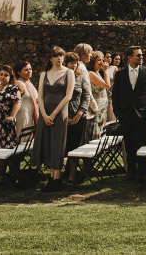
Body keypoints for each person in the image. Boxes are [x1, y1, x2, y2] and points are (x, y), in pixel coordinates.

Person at [111, 46, 146, 180]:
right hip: (126, 114)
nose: (142, 57)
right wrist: (118, 112)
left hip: (142, 113)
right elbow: (115, 95)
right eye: (139, 55)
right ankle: (131, 171)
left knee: (142, 142)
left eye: (141, 55)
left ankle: (142, 171)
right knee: (129, 143)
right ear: (130, 57)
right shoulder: (120, 74)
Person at [35, 46, 75, 192]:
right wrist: (44, 115)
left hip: (60, 112)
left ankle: (57, 178)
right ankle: (51, 176)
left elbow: (68, 96)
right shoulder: (43, 74)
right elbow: (39, 96)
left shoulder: (69, 72)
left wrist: (53, 114)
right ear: (50, 58)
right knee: (47, 142)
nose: (59, 58)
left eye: (61, 56)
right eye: (56, 56)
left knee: (58, 142)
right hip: (45, 112)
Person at [64, 52, 89, 186]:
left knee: (74, 147)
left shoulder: (80, 78)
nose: (74, 65)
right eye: (71, 62)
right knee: (64, 146)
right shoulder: (60, 77)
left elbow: (86, 96)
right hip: (63, 117)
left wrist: (79, 114)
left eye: (76, 63)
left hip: (78, 117)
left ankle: (72, 176)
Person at [73, 44, 99, 139]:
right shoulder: (82, 68)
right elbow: (87, 91)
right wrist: (95, 107)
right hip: (81, 106)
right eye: (90, 53)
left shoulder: (76, 66)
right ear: (83, 55)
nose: (91, 55)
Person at [87, 51, 110, 140]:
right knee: (96, 129)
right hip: (97, 107)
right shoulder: (91, 74)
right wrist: (106, 71)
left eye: (102, 60)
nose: (102, 63)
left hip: (103, 108)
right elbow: (107, 85)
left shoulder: (97, 73)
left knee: (101, 129)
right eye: (99, 60)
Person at [13, 61, 39, 135]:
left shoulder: (29, 83)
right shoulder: (19, 83)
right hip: (23, 114)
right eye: (26, 70)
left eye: (30, 69)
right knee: (23, 135)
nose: (29, 71)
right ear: (19, 72)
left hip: (31, 114)